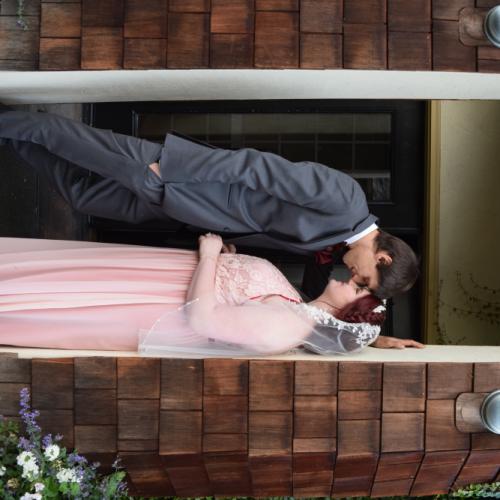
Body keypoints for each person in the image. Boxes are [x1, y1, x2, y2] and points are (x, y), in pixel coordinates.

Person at [0, 107, 419, 299]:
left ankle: (12, 135)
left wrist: (370, 337)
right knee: (68, 140)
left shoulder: (333, 246)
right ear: (382, 258)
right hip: (180, 177)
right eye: (365, 280)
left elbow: (312, 299)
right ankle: (14, 124)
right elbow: (254, 167)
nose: (354, 280)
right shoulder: (346, 199)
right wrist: (174, 167)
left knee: (82, 195)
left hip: (181, 208)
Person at [0, 234, 424, 354]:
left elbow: (203, 318)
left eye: (358, 290)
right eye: (362, 283)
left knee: (56, 292)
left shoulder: (284, 331)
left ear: (345, 314)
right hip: (157, 276)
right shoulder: (295, 307)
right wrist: (229, 262)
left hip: (150, 298)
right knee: (60, 271)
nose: (351, 280)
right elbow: (237, 297)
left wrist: (208, 257)